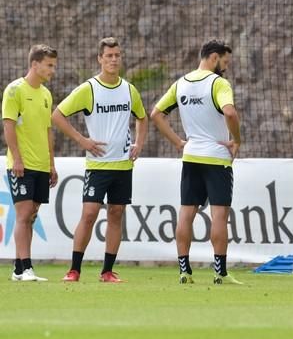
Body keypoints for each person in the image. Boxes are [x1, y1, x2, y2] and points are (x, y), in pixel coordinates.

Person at [52, 37, 148, 283]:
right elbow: (58, 115)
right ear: (100, 59)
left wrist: (139, 143)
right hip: (97, 166)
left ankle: (107, 271)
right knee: (90, 213)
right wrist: (82, 140)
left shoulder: (129, 89)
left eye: (117, 55)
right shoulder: (89, 89)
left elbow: (142, 117)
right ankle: (74, 269)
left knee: (116, 214)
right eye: (109, 56)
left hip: (123, 166)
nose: (113, 59)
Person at [151, 39, 242, 285]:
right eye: (224, 62)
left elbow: (156, 114)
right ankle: (220, 273)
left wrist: (179, 143)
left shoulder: (181, 83)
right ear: (213, 57)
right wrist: (236, 139)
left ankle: (184, 270)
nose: (225, 67)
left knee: (186, 214)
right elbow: (230, 112)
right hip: (216, 157)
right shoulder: (218, 83)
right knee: (219, 216)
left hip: (191, 156)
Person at [2, 44, 58, 282]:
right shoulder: (14, 90)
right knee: (23, 215)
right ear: (34, 64)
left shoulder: (46, 94)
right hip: (21, 165)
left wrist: (51, 164)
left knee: (31, 216)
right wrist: (18, 159)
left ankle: (18, 269)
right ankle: (26, 268)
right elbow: (8, 126)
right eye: (49, 65)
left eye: (53, 65)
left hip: (41, 165)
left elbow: (47, 131)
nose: (52, 70)